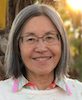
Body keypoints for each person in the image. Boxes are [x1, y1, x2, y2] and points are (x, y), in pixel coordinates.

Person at [0, 4, 82, 100]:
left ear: (62, 42)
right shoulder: (2, 93)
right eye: (31, 39)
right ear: (17, 46)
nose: (41, 48)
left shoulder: (79, 93)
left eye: (49, 37)